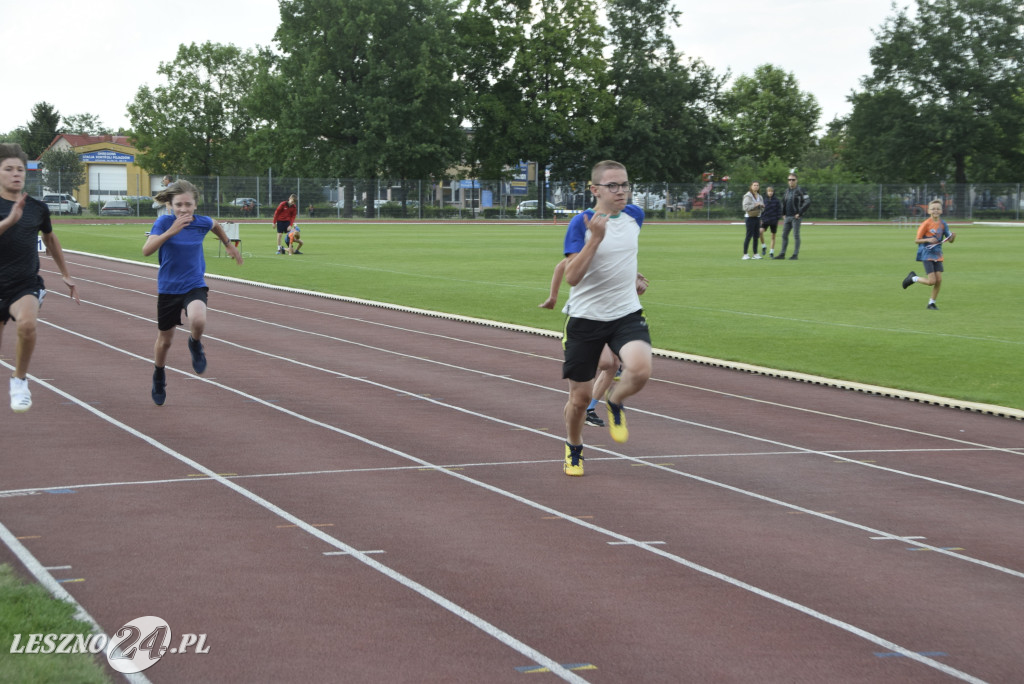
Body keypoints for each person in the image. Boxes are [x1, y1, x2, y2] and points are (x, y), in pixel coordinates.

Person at [560, 160, 653, 477]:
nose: (621, 191)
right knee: (579, 399)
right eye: (613, 185)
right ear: (595, 189)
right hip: (586, 319)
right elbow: (572, 277)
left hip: (625, 313)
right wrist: (596, 238)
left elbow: (624, 255)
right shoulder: (582, 222)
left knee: (640, 370)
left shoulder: (636, 216)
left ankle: (615, 401)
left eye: (625, 184)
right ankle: (574, 446)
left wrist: (634, 278)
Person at [142, 180, 243, 406]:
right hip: (168, 288)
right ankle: (159, 374)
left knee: (198, 318)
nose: (184, 209)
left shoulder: (201, 222)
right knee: (165, 341)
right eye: (179, 205)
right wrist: (172, 230)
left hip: (194, 283)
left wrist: (228, 244)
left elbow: (215, 224)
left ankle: (195, 342)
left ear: (195, 205)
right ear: (170, 205)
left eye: (188, 204)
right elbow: (147, 250)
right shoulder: (164, 222)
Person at [0, 143, 80, 412]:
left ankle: (19, 380)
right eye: (8, 169)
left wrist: (66, 274)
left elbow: (50, 239)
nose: (15, 174)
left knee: (27, 325)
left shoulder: (37, 208)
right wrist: (9, 222)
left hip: (23, 283)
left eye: (20, 169)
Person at [540, 257, 649, 428]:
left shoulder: (618, 252)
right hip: (585, 318)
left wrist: (633, 279)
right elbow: (561, 267)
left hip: (611, 316)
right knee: (606, 363)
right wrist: (552, 297)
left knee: (613, 365)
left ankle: (590, 409)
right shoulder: (588, 249)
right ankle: (583, 406)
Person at [902, 198, 955, 309]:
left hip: (938, 254)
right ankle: (913, 278)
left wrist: (953, 237)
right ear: (929, 211)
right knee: (932, 281)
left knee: (939, 280)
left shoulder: (943, 224)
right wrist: (928, 240)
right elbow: (917, 240)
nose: (935, 211)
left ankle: (931, 303)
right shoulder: (926, 224)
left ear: (941, 211)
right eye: (933, 209)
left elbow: (950, 240)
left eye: (938, 209)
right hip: (927, 254)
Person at [778, 173, 810, 260]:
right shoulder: (787, 191)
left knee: (796, 235)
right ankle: (782, 254)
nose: (791, 181)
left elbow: (807, 202)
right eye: (789, 180)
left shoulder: (801, 190)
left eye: (793, 180)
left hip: (796, 217)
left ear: (796, 180)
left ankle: (795, 254)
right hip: (787, 217)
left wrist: (799, 213)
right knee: (784, 235)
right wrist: (783, 213)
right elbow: (783, 202)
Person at [741, 181, 764, 260]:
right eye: (754, 185)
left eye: (757, 185)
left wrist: (762, 206)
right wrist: (755, 205)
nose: (756, 187)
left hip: (757, 217)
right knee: (748, 235)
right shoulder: (747, 196)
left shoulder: (760, 196)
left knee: (756, 236)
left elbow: (762, 208)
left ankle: (755, 253)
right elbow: (745, 207)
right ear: (751, 186)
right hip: (749, 218)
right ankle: (745, 254)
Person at [759, 185, 782, 258]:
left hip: (773, 220)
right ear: (766, 192)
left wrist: (777, 218)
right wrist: (761, 219)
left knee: (773, 236)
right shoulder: (763, 200)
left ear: (773, 192)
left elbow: (779, 210)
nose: (770, 193)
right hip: (765, 220)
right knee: (760, 232)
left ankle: (771, 252)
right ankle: (763, 246)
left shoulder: (777, 200)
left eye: (771, 191)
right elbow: (761, 210)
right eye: (769, 191)